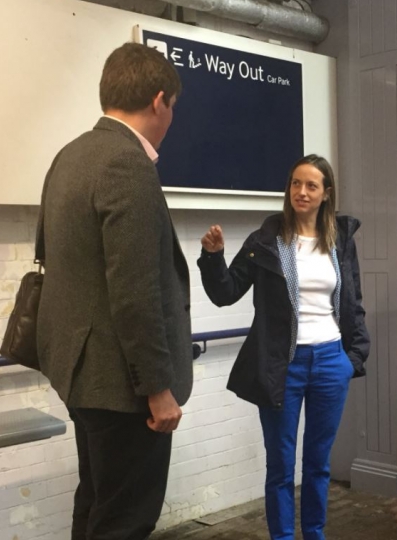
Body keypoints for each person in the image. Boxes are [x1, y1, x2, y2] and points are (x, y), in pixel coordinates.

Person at [36, 43, 192, 539]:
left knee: (97, 502)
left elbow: (54, 257)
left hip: (79, 374)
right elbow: (135, 292)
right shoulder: (128, 165)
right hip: (123, 390)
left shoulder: (70, 155)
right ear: (159, 100)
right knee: (125, 521)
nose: (171, 118)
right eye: (173, 108)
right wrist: (158, 390)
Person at [198, 154, 370, 540]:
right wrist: (213, 258)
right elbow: (225, 293)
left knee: (318, 464)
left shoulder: (339, 240)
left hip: (330, 361)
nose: (301, 192)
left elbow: (353, 303)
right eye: (295, 183)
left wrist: (352, 358)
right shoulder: (266, 240)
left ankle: (314, 533)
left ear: (326, 194)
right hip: (282, 364)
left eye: (311, 185)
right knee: (279, 466)